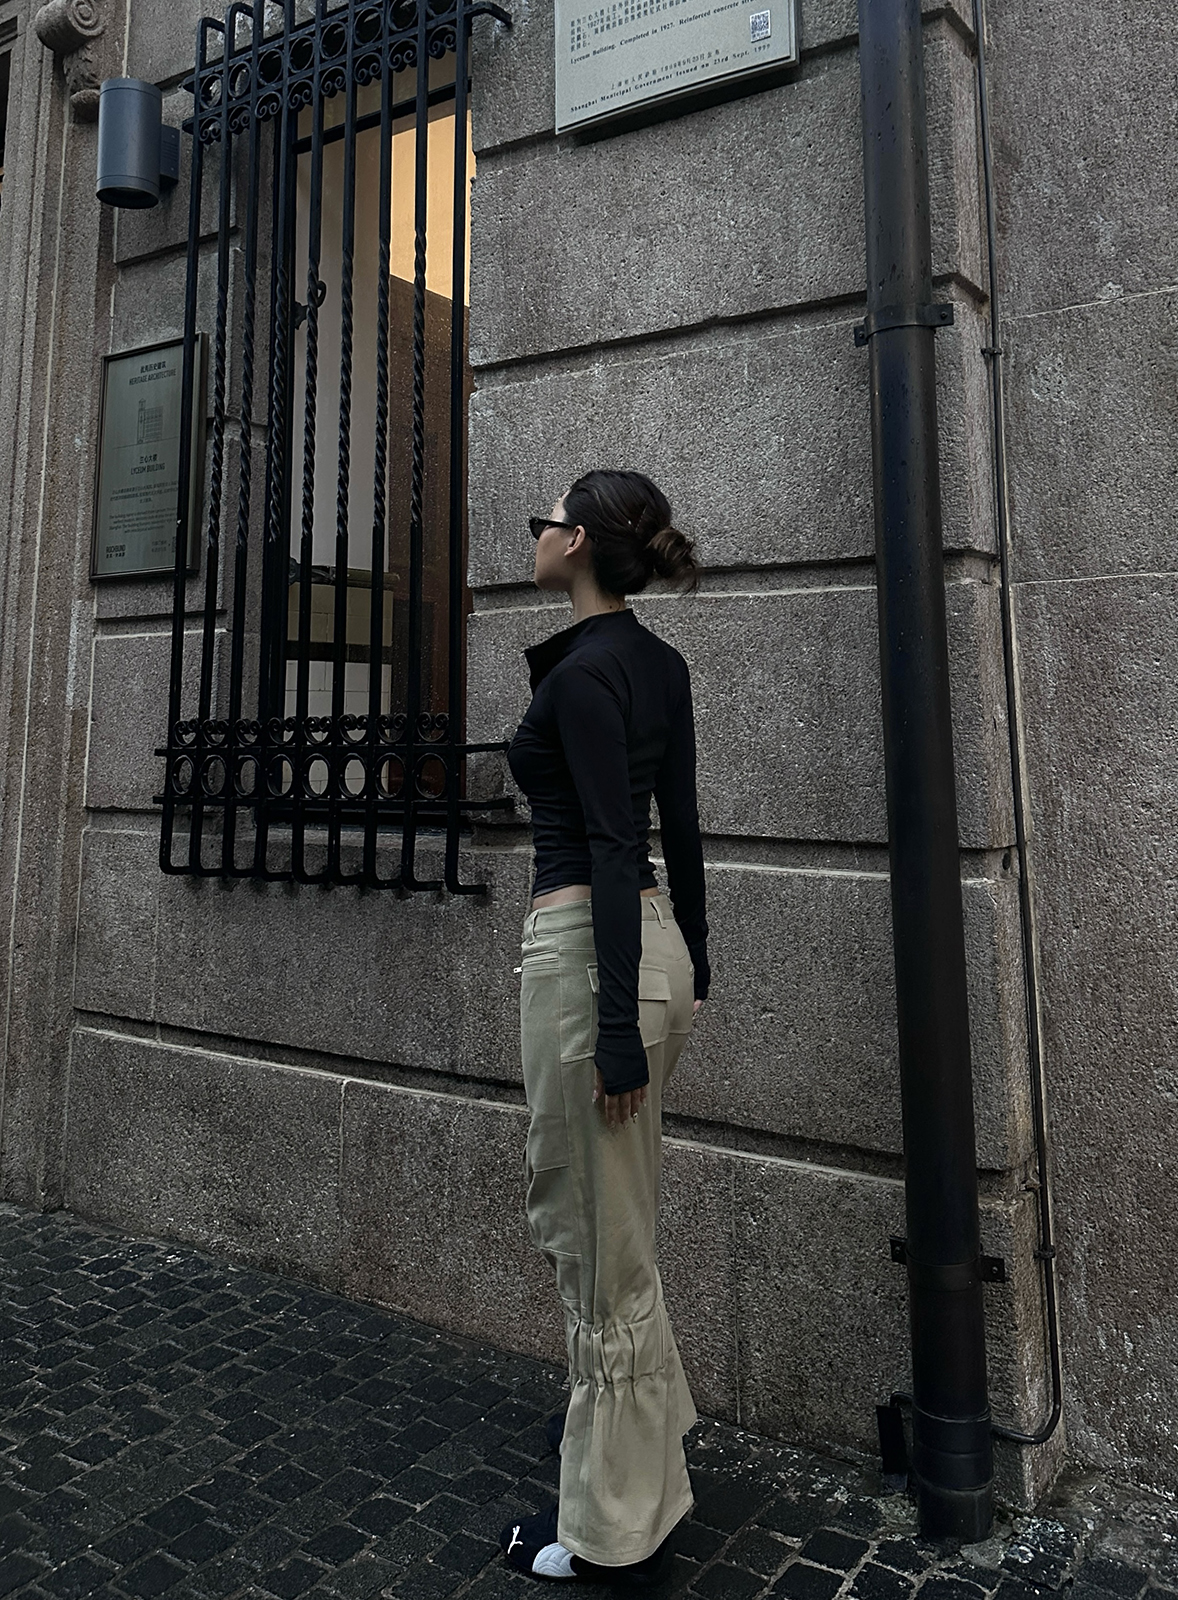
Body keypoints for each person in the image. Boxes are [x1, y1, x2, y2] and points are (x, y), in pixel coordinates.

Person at [501, 470, 710, 1586]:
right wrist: (698, 958)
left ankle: (610, 1532)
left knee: (593, 1232)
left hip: (593, 958)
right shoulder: (654, 664)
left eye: (545, 521)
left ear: (576, 541)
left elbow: (619, 841)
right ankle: (636, 1445)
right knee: (617, 1218)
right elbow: (681, 821)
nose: (533, 534)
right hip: (647, 949)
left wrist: (620, 1027)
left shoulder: (587, 674)